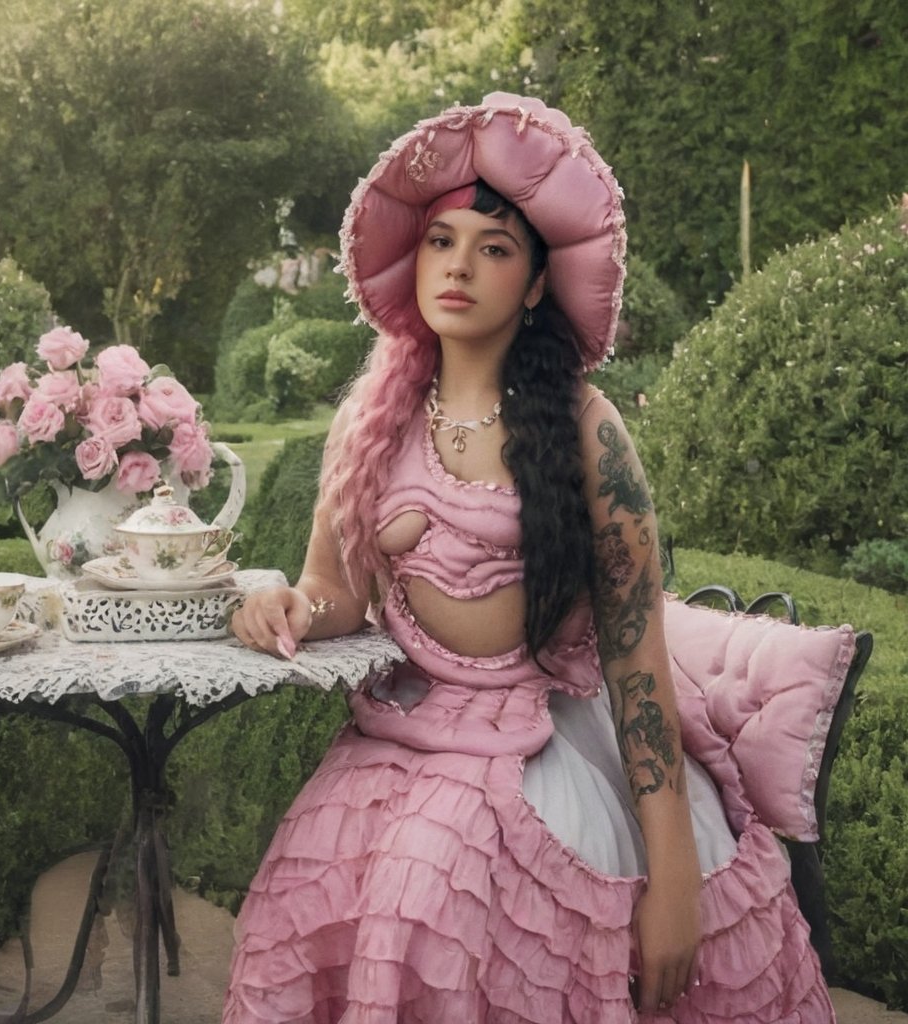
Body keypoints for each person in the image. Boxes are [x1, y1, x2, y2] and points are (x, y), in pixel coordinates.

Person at [222, 93, 834, 1023]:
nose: (459, 265)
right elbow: (334, 590)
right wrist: (290, 606)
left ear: (538, 284)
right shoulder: (370, 421)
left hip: (539, 734)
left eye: (495, 248)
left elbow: (637, 663)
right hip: (407, 729)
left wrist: (674, 881)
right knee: (301, 894)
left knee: (432, 894)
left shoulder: (588, 432)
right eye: (441, 241)